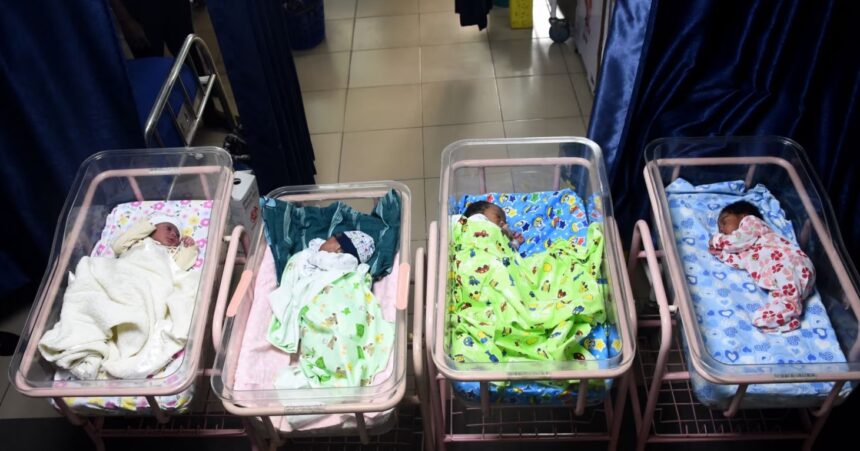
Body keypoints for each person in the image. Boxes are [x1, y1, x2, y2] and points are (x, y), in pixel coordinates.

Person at [709, 201, 815, 333]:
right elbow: (740, 262)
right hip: (779, 279)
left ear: (742, 215)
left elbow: (737, 240)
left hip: (791, 261)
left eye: (724, 223)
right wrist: (720, 254)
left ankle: (791, 308)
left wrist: (717, 240)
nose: (722, 230)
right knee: (777, 297)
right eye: (720, 230)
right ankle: (787, 321)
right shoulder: (745, 249)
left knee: (786, 281)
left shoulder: (752, 223)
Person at [111, 214, 198, 271]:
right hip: (126, 271)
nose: (173, 234)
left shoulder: (171, 253)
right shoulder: (137, 242)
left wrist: (189, 247)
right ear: (152, 228)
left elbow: (180, 267)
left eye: (178, 235)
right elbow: (117, 247)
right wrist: (146, 227)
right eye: (168, 228)